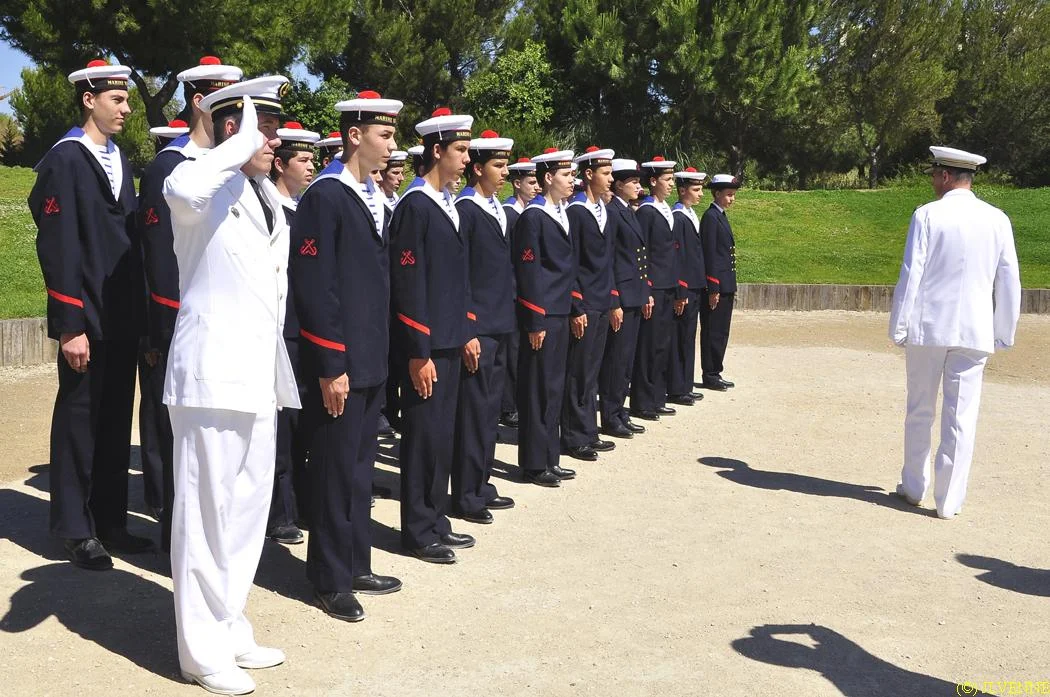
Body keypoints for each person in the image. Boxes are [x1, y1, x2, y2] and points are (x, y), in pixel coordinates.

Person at [163, 76, 300, 695]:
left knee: (246, 510)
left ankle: (228, 621)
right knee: (204, 513)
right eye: (261, 126)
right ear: (228, 126)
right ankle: (199, 651)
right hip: (210, 372)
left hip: (255, 372)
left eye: (270, 127)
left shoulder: (264, 192)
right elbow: (185, 185)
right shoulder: (194, 177)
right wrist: (235, 142)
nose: (273, 138)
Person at [29, 59, 150, 571]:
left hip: (121, 315)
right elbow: (57, 248)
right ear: (89, 99)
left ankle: (110, 519)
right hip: (87, 318)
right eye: (117, 100)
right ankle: (75, 528)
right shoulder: (66, 159)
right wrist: (70, 324)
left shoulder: (116, 156)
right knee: (80, 419)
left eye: (126, 100)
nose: (126, 109)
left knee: (114, 420)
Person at [288, 91, 405, 620]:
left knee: (358, 470)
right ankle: (329, 578)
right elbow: (316, 289)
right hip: (342, 363)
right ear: (354, 136)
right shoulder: (326, 196)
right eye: (385, 135)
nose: (392, 145)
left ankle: (356, 561)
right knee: (335, 471)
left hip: (371, 360)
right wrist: (331, 364)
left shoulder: (370, 195)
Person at [138, 56, 243, 552]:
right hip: (180, 324)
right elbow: (160, 260)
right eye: (226, 102)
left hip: (223, 327)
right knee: (173, 437)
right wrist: (162, 331)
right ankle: (171, 530)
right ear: (201, 102)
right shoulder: (170, 167)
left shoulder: (227, 167)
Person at [889, 146, 1021, 520]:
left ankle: (914, 486)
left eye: (934, 174)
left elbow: (911, 273)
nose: (932, 181)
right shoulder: (997, 219)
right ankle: (948, 501)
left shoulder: (928, 215)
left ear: (945, 176)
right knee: (961, 415)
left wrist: (899, 324)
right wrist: (1003, 331)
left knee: (919, 409)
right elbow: (1009, 279)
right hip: (975, 330)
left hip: (930, 327)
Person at [388, 107, 477, 563]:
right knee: (423, 438)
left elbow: (452, 280)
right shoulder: (414, 206)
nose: (466, 158)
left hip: (448, 339)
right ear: (436, 150)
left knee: (442, 436)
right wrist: (418, 350)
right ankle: (418, 530)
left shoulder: (446, 205)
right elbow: (409, 285)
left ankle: (436, 518)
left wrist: (464, 331)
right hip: (426, 345)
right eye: (460, 150)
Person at [450, 130, 517, 525]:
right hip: (480, 325)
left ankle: (482, 480)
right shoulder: (467, 209)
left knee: (489, 409)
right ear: (478, 168)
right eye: (497, 164)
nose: (505, 171)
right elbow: (463, 276)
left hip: (500, 322)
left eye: (506, 164)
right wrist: (469, 328)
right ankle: (466, 492)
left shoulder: (495, 208)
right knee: (473, 411)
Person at [266, 121, 319, 545]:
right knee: (279, 426)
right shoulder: (268, 208)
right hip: (279, 331)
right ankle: (278, 510)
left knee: (303, 423)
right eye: (303, 160)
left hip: (306, 330)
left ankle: (303, 498)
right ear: (280, 165)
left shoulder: (305, 208)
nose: (311, 167)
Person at [512, 148, 579, 487]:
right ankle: (534, 463)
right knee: (537, 389)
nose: (572, 181)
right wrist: (535, 319)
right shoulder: (533, 217)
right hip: (544, 313)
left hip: (560, 310)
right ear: (548, 177)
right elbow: (529, 271)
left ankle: (550, 456)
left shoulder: (561, 213)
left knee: (554, 387)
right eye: (566, 175)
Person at [561, 146, 617, 461]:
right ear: (588, 174)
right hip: (584, 302)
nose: (610, 179)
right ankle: (573, 435)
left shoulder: (601, 210)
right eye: (605, 174)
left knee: (592, 370)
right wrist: (577, 305)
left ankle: (588, 429)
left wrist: (610, 300)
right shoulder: (576, 211)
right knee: (578, 371)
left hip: (600, 301)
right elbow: (572, 263)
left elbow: (605, 262)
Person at [598, 159, 652, 439]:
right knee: (616, 359)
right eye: (634, 183)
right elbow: (610, 260)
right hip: (621, 295)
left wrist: (645, 292)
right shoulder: (612, 212)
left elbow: (637, 257)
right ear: (619, 184)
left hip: (634, 293)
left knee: (627, 358)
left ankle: (620, 410)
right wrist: (614, 300)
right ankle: (610, 415)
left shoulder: (628, 212)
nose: (638, 188)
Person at [630, 156, 683, 419]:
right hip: (655, 286)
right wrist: (646, 289)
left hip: (668, 285)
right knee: (649, 346)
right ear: (653, 181)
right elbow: (643, 252)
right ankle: (642, 401)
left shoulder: (665, 209)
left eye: (672, 178)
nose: (671, 183)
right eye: (667, 179)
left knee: (662, 344)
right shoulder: (647, 211)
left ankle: (657, 396)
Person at [499, 157, 540, 429]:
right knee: (511, 353)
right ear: (517, 184)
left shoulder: (529, 212)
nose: (536, 187)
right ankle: (508, 406)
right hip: (512, 294)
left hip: (524, 294)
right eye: (531, 182)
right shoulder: (511, 213)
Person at [668, 167, 707, 405]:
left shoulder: (690, 214)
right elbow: (678, 256)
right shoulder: (679, 216)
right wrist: (681, 288)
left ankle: (686, 383)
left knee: (688, 335)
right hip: (685, 285)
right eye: (695, 189)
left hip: (695, 283)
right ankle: (676, 386)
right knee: (680, 336)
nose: (700, 193)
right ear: (682, 190)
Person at [699, 174, 740, 391]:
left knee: (721, 330)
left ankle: (716, 370)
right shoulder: (711, 217)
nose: (732, 199)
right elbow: (710, 254)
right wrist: (713, 286)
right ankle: (710, 373)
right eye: (729, 195)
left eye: (733, 195)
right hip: (717, 284)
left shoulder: (720, 216)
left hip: (726, 283)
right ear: (717, 194)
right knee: (713, 330)